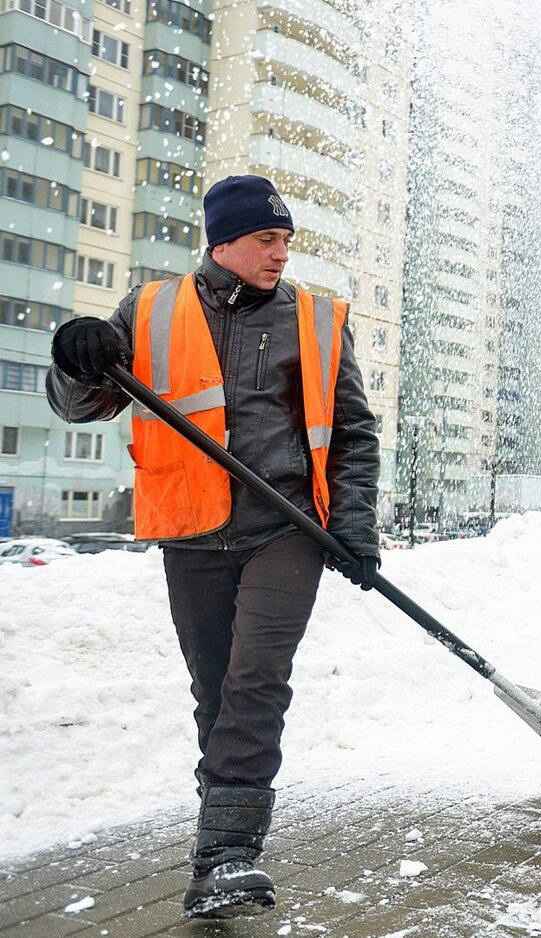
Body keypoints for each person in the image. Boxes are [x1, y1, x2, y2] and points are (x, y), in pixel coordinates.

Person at [45, 175, 381, 919]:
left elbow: (353, 433)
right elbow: (84, 406)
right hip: (192, 530)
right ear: (222, 241)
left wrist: (355, 525)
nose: (280, 254)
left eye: (287, 241)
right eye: (267, 239)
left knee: (257, 680)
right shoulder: (152, 310)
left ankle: (228, 856)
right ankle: (222, 834)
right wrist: (74, 355)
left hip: (287, 527)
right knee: (218, 689)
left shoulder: (318, 321)